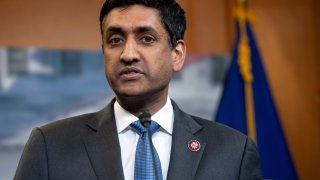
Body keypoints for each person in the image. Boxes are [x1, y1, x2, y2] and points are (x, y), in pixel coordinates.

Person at [14, 0, 262, 179]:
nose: (128, 54)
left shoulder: (234, 151)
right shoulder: (50, 146)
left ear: (177, 54)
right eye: (115, 40)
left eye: (146, 39)